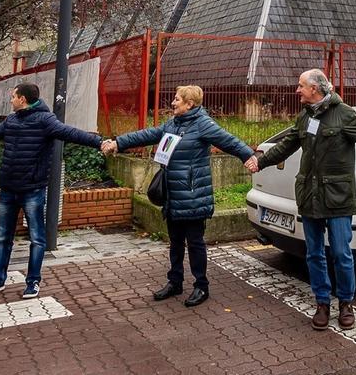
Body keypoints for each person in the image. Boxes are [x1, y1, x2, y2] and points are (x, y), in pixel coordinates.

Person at [245, 69, 356, 331]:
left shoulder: (344, 114)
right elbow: (287, 145)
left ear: (315, 89)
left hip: (337, 197)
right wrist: (260, 161)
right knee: (314, 254)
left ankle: (345, 303)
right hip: (310, 196)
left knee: (342, 253)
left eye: (301, 86)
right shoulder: (305, 116)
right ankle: (322, 302)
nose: (297, 90)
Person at [102, 85, 254, 307]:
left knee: (195, 243)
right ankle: (175, 282)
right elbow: (147, 134)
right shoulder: (173, 124)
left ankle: (201, 286)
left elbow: (228, 140)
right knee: (175, 242)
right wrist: (118, 142)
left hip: (193, 196)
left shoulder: (203, 124)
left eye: (177, 100)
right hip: (173, 195)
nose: (172, 103)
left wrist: (248, 156)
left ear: (189, 104)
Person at [0, 83, 103, 299]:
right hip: (8, 188)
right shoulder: (12, 120)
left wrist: (100, 142)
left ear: (22, 99)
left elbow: (70, 133)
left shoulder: (45, 120)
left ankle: (33, 282)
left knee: (37, 238)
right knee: (2, 237)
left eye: (13, 96)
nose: (11, 99)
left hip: (32, 189)